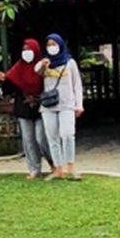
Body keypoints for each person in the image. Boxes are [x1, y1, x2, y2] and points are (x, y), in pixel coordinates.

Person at [0, 38, 53, 180]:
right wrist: (3, 80)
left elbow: (49, 85)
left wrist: (37, 98)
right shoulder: (18, 67)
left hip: (41, 107)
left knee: (41, 138)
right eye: (24, 49)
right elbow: (10, 86)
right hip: (23, 107)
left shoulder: (42, 67)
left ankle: (54, 163)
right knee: (28, 140)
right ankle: (34, 169)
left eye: (29, 49)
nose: (26, 52)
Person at [35, 33, 84, 180]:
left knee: (67, 134)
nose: (51, 47)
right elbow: (37, 72)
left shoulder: (70, 63)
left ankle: (71, 167)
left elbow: (77, 85)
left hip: (67, 104)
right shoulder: (44, 62)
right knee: (52, 137)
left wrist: (79, 104)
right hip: (48, 105)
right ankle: (57, 168)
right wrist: (44, 65)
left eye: (54, 44)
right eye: (49, 45)